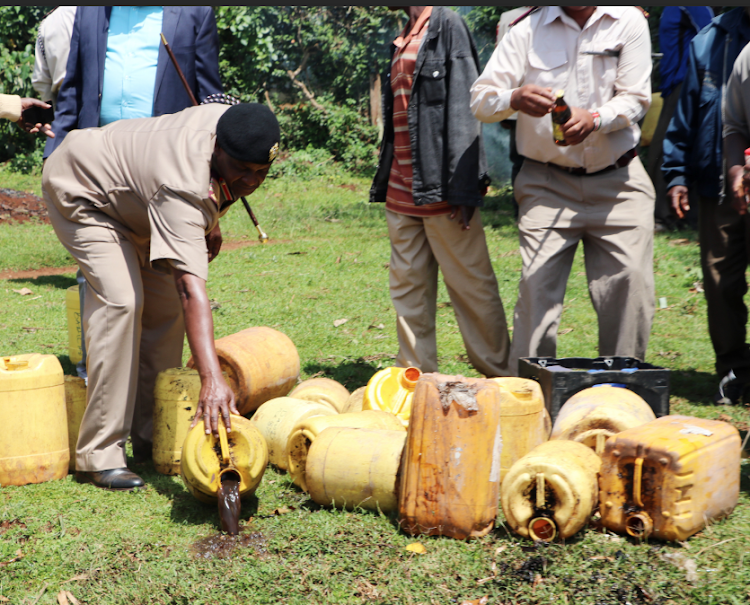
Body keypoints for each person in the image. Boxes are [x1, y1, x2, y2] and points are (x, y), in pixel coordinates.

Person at [42, 102, 280, 490]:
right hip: (86, 191)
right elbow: (191, 287)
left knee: (165, 309)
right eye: (243, 171)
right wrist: (212, 379)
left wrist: (211, 216)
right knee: (121, 302)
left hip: (140, 200)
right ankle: (99, 454)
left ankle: (155, 434)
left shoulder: (232, 124)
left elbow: (208, 190)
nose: (252, 182)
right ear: (218, 148)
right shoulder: (183, 184)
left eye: (262, 172)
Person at [471, 6, 655, 371]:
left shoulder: (628, 21)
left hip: (619, 184)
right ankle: (529, 403)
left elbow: (636, 98)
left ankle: (623, 395)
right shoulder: (525, 28)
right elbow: (480, 98)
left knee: (630, 286)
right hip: (546, 183)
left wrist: (596, 118)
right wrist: (514, 98)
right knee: (536, 292)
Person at [369, 6, 511, 378]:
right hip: (401, 191)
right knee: (407, 293)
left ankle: (502, 380)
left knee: (472, 290)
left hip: (443, 192)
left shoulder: (447, 25)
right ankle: (415, 383)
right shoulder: (404, 35)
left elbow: (467, 106)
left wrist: (465, 188)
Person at [662, 8, 750, 404]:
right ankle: (733, 371)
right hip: (720, 183)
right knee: (721, 282)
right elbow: (689, 112)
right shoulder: (711, 40)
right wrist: (676, 173)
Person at [45, 6, 223, 158]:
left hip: (166, 157)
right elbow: (72, 92)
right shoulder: (90, 10)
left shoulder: (195, 12)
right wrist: (52, 151)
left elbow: (209, 96)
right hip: (95, 155)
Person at [647, 6, 713, 231]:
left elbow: (711, 35)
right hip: (672, 85)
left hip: (685, 84)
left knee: (665, 146)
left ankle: (667, 216)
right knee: (664, 146)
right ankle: (676, 214)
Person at [32, 6, 77, 108]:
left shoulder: (48, 22)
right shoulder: (102, 14)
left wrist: (55, 114)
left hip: (63, 106)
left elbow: (41, 81)